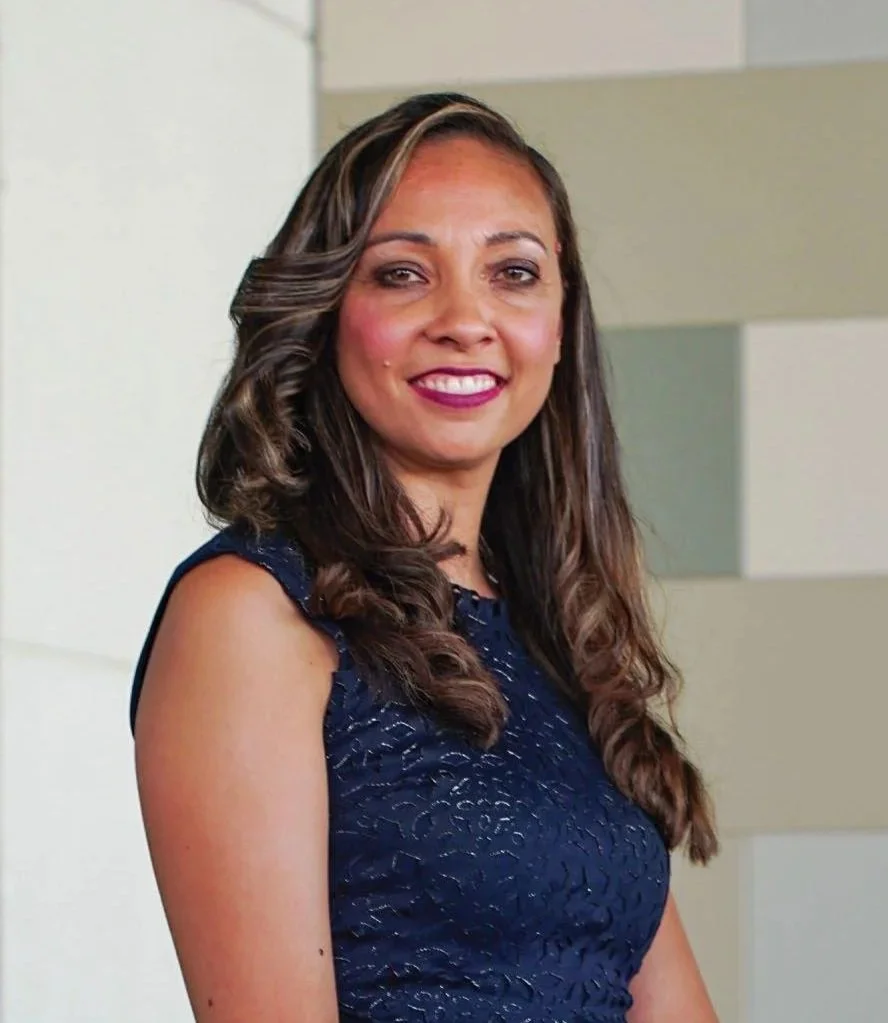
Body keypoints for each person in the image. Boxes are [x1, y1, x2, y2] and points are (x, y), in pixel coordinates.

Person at [130, 92, 719, 1023]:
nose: (464, 318)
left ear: (561, 324)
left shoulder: (550, 635)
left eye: (514, 272)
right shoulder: (253, 614)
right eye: (403, 274)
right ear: (328, 311)